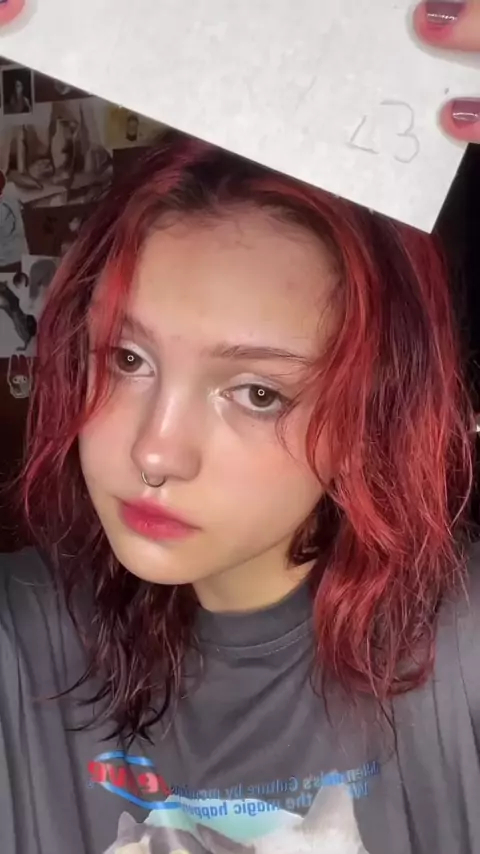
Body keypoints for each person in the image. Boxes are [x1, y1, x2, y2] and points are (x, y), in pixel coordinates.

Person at [1, 2, 480, 853]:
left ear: (371, 415)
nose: (155, 451)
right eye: (128, 359)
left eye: (257, 394)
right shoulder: (23, 642)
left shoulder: (461, 649)